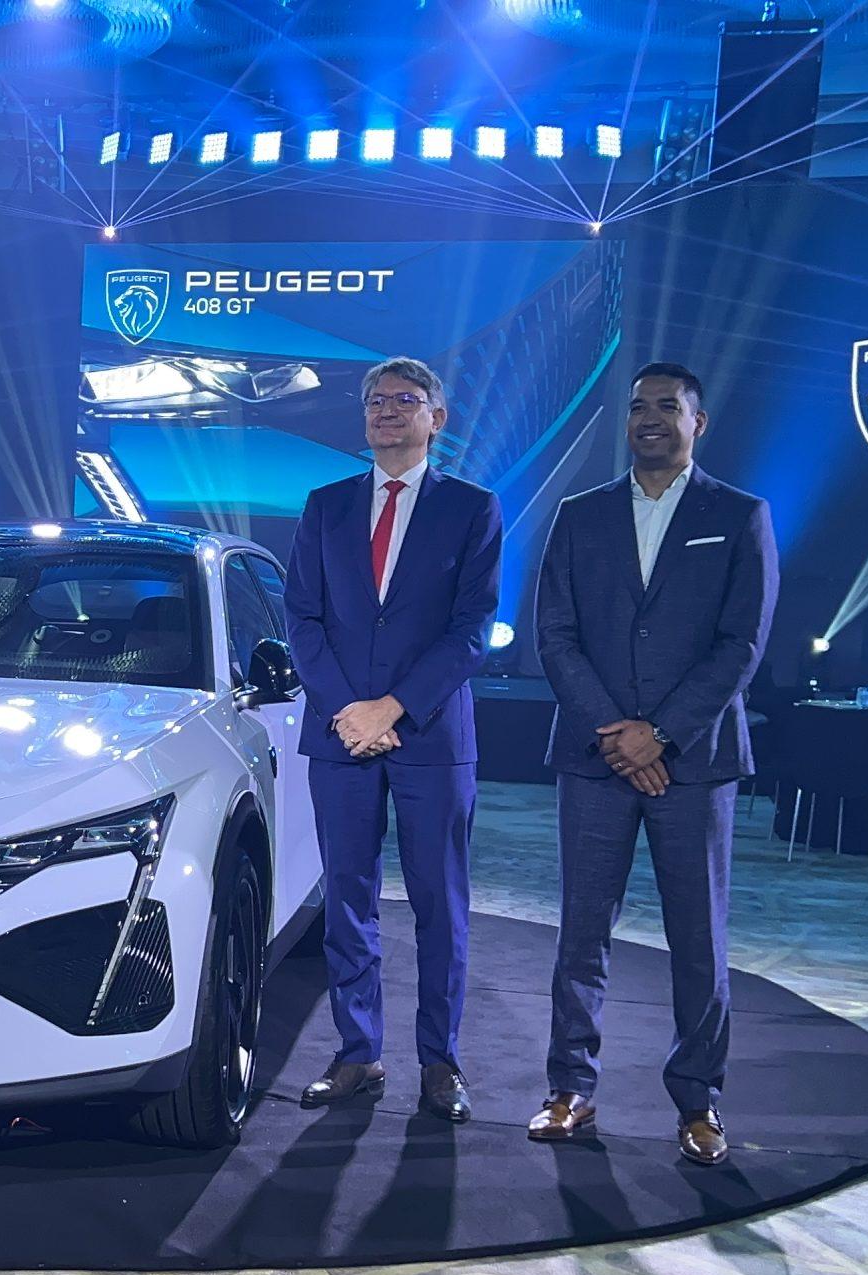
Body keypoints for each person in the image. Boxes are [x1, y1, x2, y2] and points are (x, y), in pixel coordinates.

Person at [532, 361, 778, 1166]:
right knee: (581, 934)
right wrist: (616, 732)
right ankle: (570, 1090)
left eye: (667, 406)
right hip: (596, 756)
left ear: (697, 422)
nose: (649, 418)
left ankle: (698, 1103)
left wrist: (660, 734)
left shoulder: (738, 515)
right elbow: (555, 635)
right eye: (638, 405)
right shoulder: (580, 515)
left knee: (698, 940)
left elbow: (741, 643)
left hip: (694, 763)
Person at [279, 357, 501, 1120]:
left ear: (437, 418)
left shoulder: (471, 508)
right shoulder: (326, 505)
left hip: (431, 736)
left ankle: (440, 1062)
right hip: (341, 734)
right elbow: (302, 617)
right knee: (348, 900)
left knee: (440, 904)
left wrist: (394, 709)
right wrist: (348, 709)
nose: (387, 410)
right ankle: (358, 1053)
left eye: (406, 399)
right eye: (376, 400)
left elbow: (472, 630)